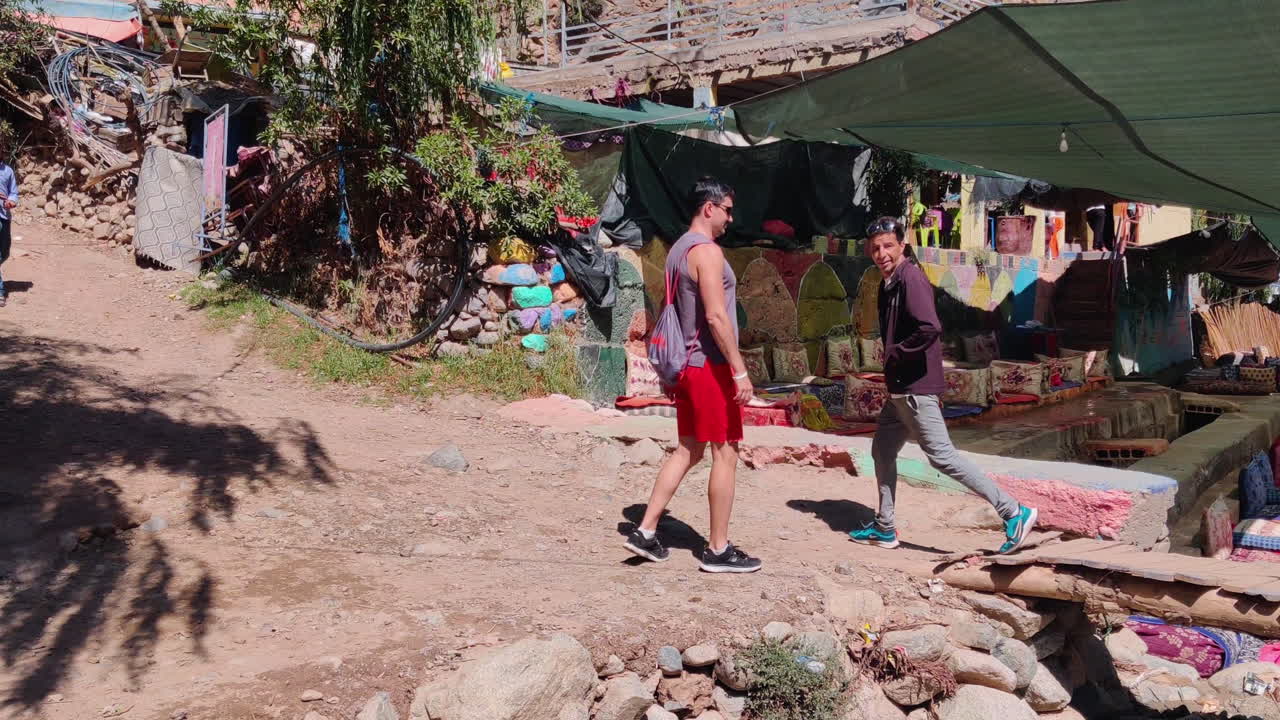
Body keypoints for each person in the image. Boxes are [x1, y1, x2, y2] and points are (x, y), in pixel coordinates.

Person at [849, 216, 1038, 554]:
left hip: (916, 388)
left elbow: (929, 328)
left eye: (888, 246)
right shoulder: (888, 283)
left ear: (901, 245)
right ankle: (884, 526)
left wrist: (895, 354)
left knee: (943, 457)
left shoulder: (911, 279)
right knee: (882, 451)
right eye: (875, 248)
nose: (881, 253)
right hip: (900, 390)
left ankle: (1013, 511)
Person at [624, 177, 762, 573]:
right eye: (727, 210)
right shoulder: (707, 252)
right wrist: (739, 372)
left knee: (689, 448)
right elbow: (716, 316)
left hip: (684, 364)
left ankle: (646, 531)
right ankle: (718, 550)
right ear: (709, 208)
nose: (730, 219)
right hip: (709, 366)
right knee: (726, 451)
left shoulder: (677, 250)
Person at [0, 142, 15, 308]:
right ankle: (0, 291)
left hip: (4, 216)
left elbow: (13, 192)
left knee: (4, 252)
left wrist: (11, 201)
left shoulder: (8, 171)